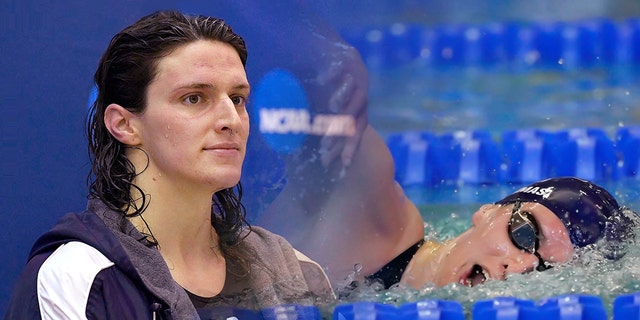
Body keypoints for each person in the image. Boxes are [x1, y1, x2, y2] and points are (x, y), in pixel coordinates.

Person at [4, 10, 334, 320]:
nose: (231, 120)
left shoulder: (297, 274)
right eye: (194, 98)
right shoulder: (80, 279)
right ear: (124, 124)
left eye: (237, 99)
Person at [400, 177, 637, 289]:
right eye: (525, 234)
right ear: (487, 212)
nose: (519, 267)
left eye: (546, 267)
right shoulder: (389, 242)